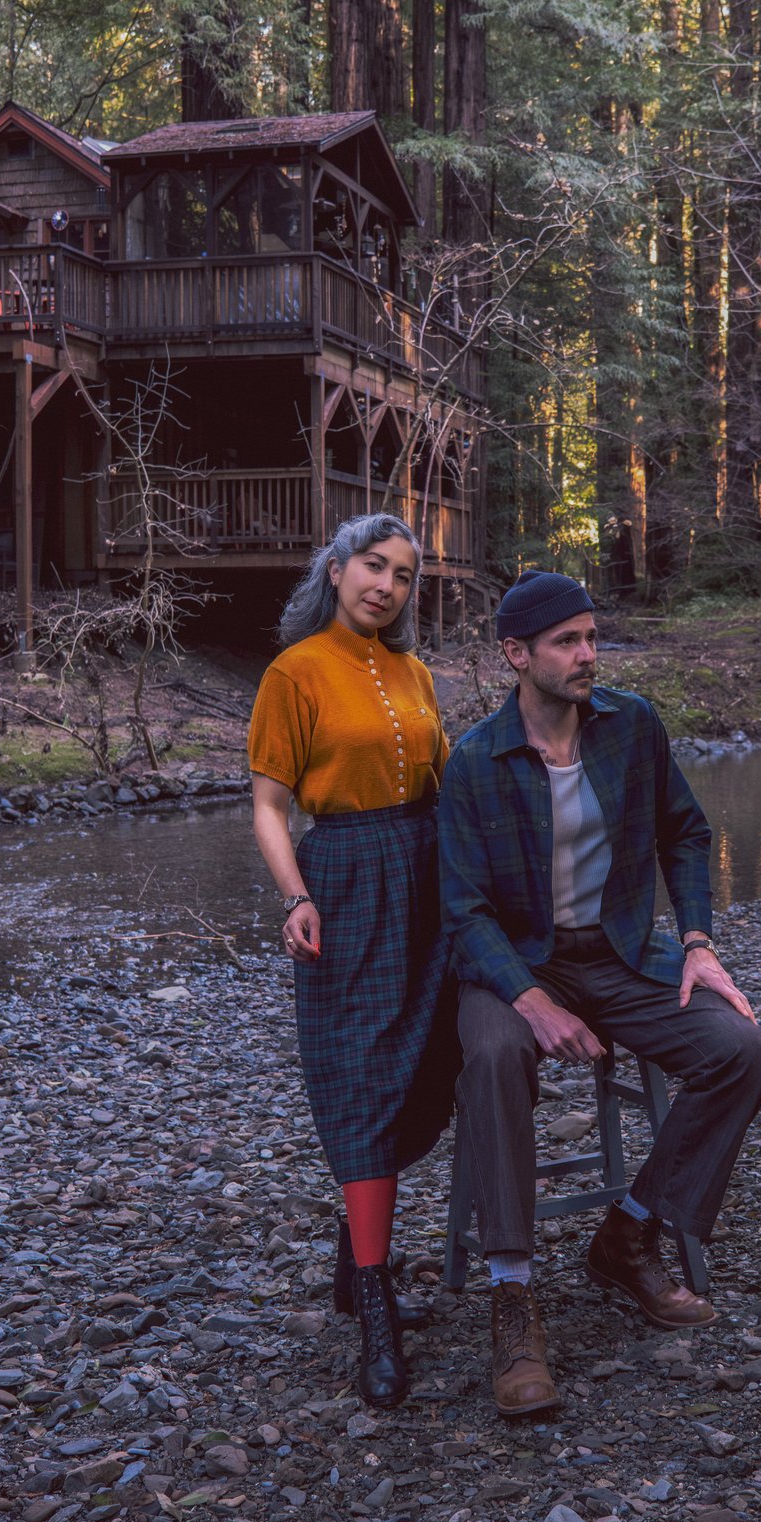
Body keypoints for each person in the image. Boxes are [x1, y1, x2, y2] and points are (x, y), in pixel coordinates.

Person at [437, 570, 761, 1417]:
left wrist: (697, 941)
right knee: (492, 1055)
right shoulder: (476, 760)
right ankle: (513, 1298)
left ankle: (629, 1233)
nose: (588, 654)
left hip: (620, 952)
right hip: (515, 962)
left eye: (593, 637)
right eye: (567, 641)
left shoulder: (632, 726)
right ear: (517, 655)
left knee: (743, 1051)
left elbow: (686, 831)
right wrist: (529, 997)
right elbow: (461, 909)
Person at [248, 512, 455, 1410]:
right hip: (345, 874)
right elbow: (266, 805)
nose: (388, 586)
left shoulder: (415, 672)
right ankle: (374, 1309)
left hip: (427, 871)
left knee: (426, 1070)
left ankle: (351, 1263)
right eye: (375, 566)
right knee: (360, 1076)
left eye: (405, 576)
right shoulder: (294, 671)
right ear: (335, 568)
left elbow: (450, 777)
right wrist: (297, 895)